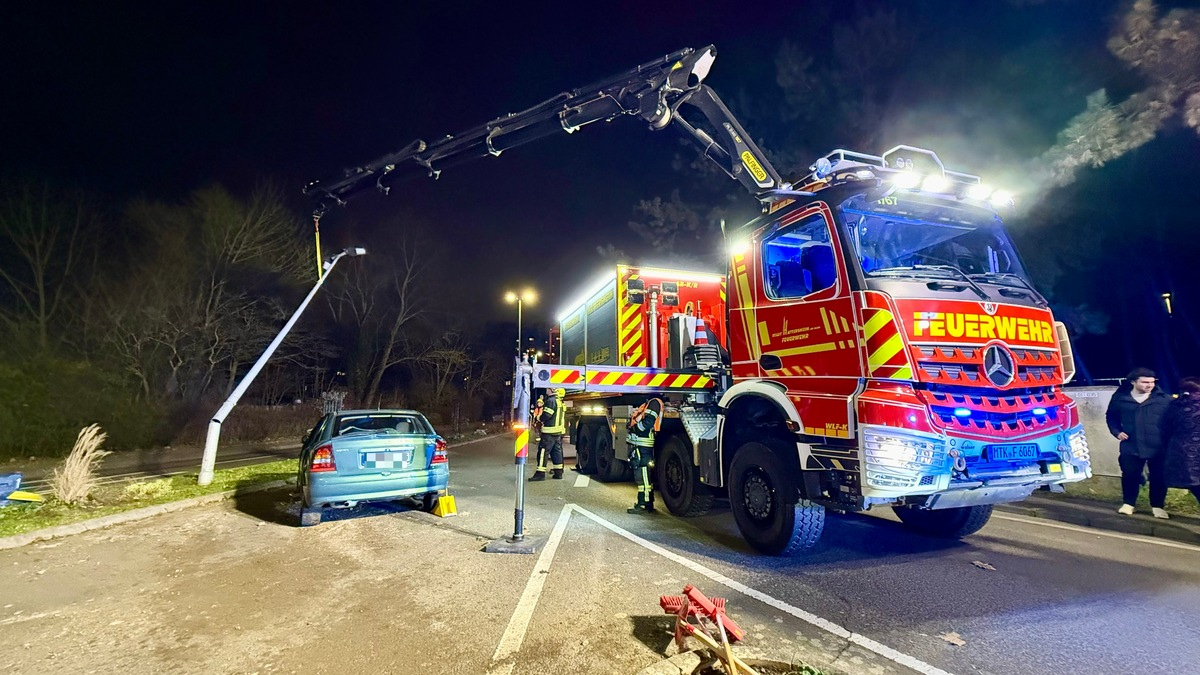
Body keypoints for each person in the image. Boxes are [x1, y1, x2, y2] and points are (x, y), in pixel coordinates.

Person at [1105, 368, 1172, 518]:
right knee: (1130, 475)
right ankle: (1129, 503)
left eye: (1152, 382)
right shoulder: (1120, 398)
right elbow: (1111, 417)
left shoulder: (1163, 399)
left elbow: (1172, 419)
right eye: (1145, 382)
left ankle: (1157, 506)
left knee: (1158, 477)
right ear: (1133, 382)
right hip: (1131, 444)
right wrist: (1116, 431)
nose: (1149, 385)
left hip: (1158, 446)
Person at [1163, 377, 1200, 507]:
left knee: (1195, 485)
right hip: (1192, 451)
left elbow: (1166, 428)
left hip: (1182, 452)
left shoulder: (1175, 405)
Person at [626, 397, 663, 514]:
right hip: (641, 444)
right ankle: (645, 502)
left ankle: (644, 503)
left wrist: (634, 428)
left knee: (643, 475)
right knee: (641, 475)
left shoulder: (654, 403)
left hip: (643, 444)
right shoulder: (649, 403)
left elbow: (648, 422)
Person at [530, 387, 566, 481]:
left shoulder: (551, 401)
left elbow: (546, 415)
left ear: (552, 390)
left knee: (543, 452)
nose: (546, 389)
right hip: (557, 432)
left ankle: (540, 474)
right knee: (556, 452)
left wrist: (538, 418)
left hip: (549, 432)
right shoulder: (559, 401)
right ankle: (558, 473)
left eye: (548, 388)